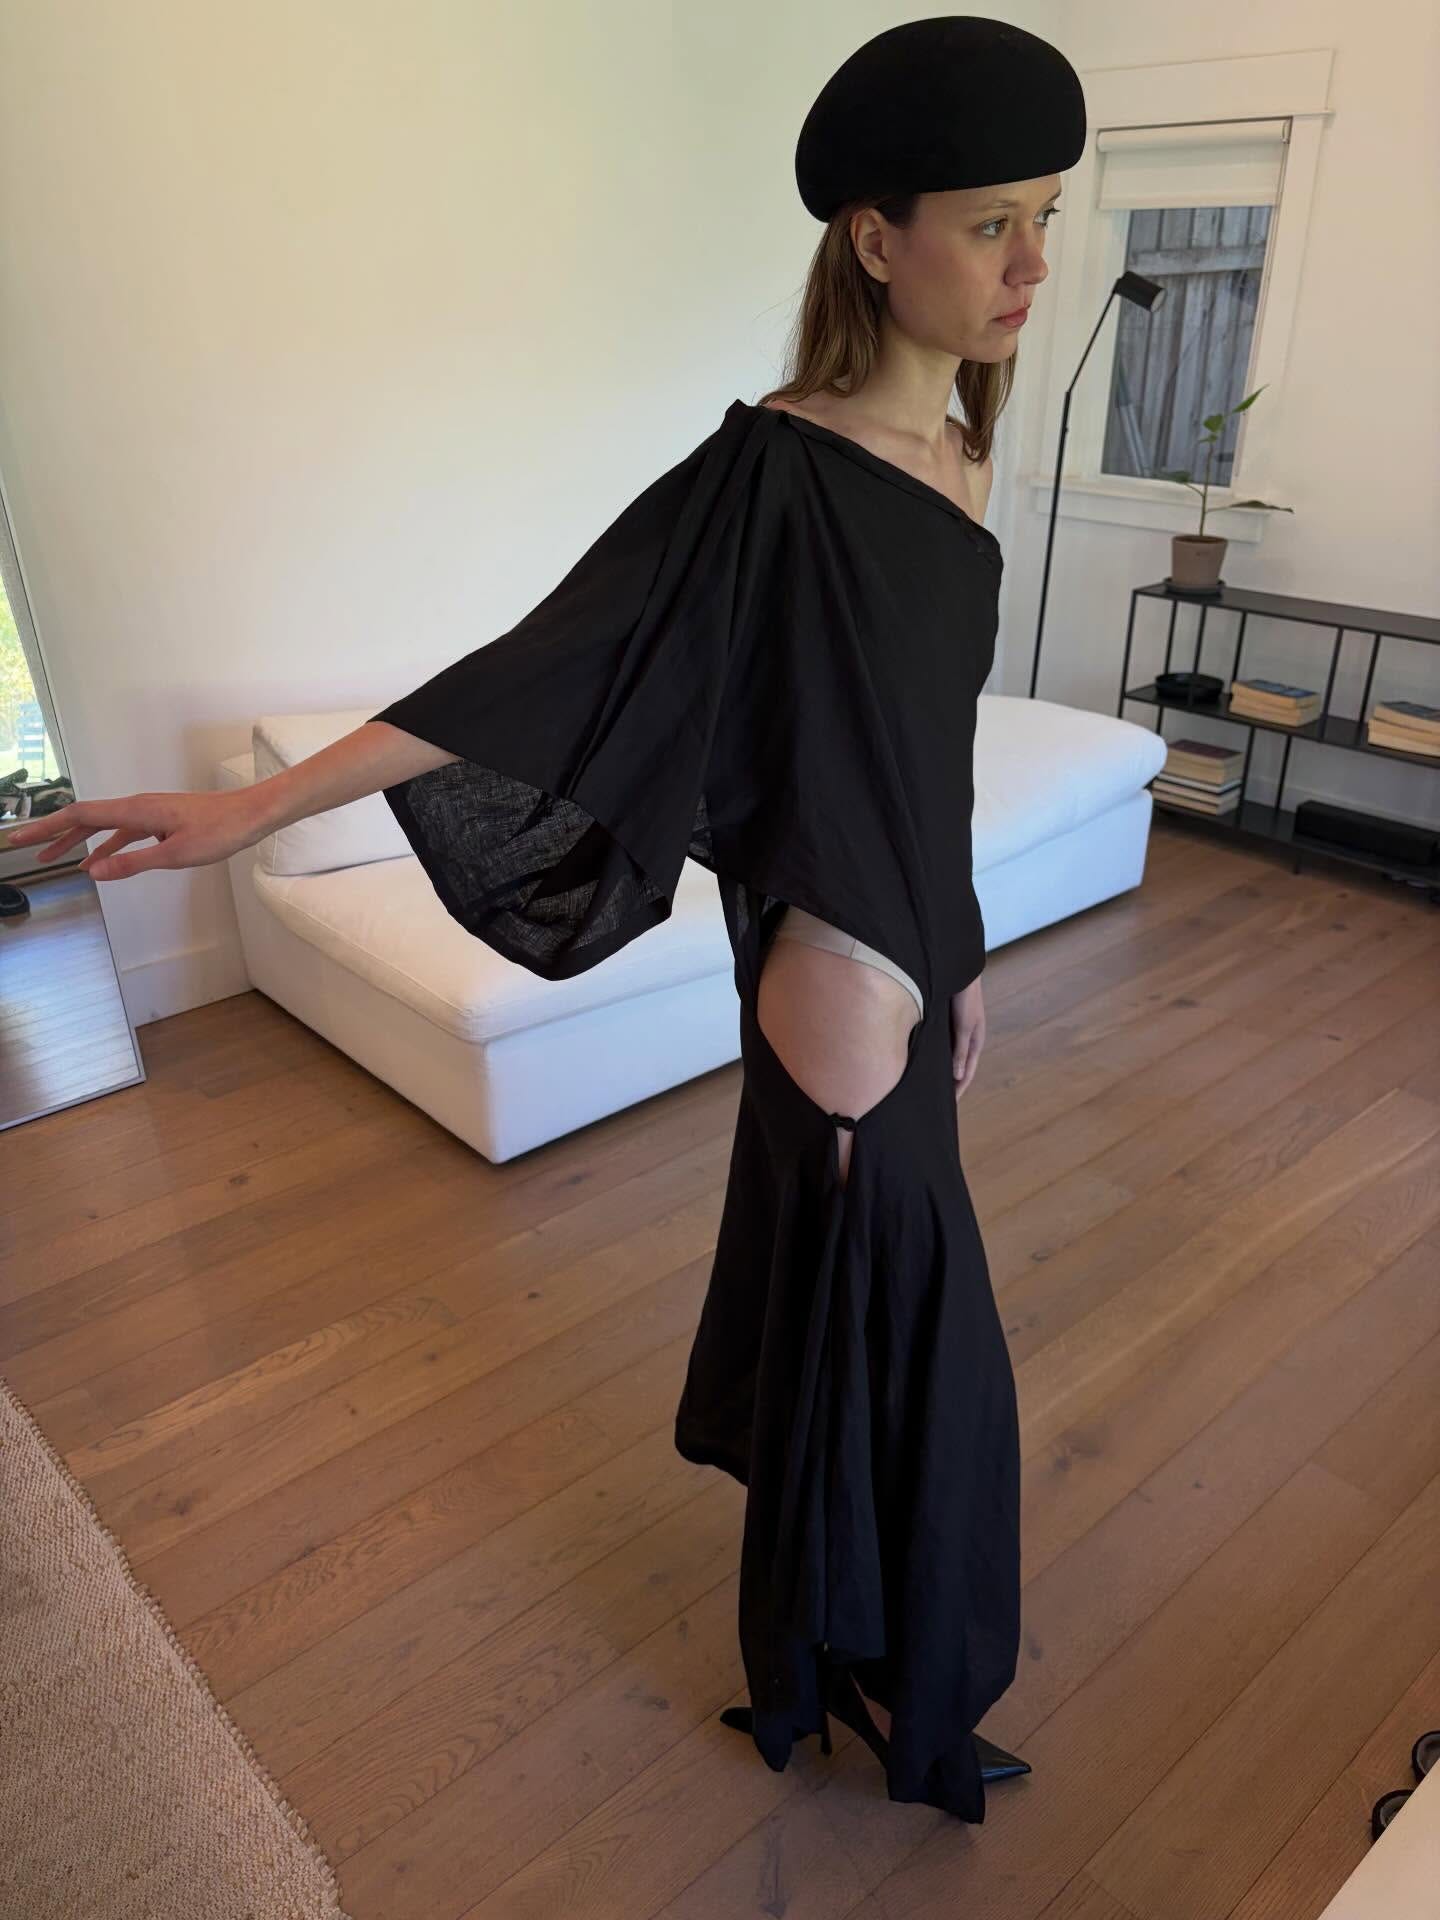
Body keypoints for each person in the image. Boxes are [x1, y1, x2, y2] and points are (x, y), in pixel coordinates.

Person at [11, 17, 1086, 1825]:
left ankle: (854, 1671)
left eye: (1045, 217)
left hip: (915, 970)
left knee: (889, 1370)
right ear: (875, 237)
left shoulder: (965, 468)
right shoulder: (771, 475)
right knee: (912, 1375)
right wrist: (250, 810)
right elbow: (539, 670)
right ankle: (867, 1679)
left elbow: (923, 759)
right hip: (834, 993)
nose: (1033, 266)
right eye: (992, 224)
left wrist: (962, 954)